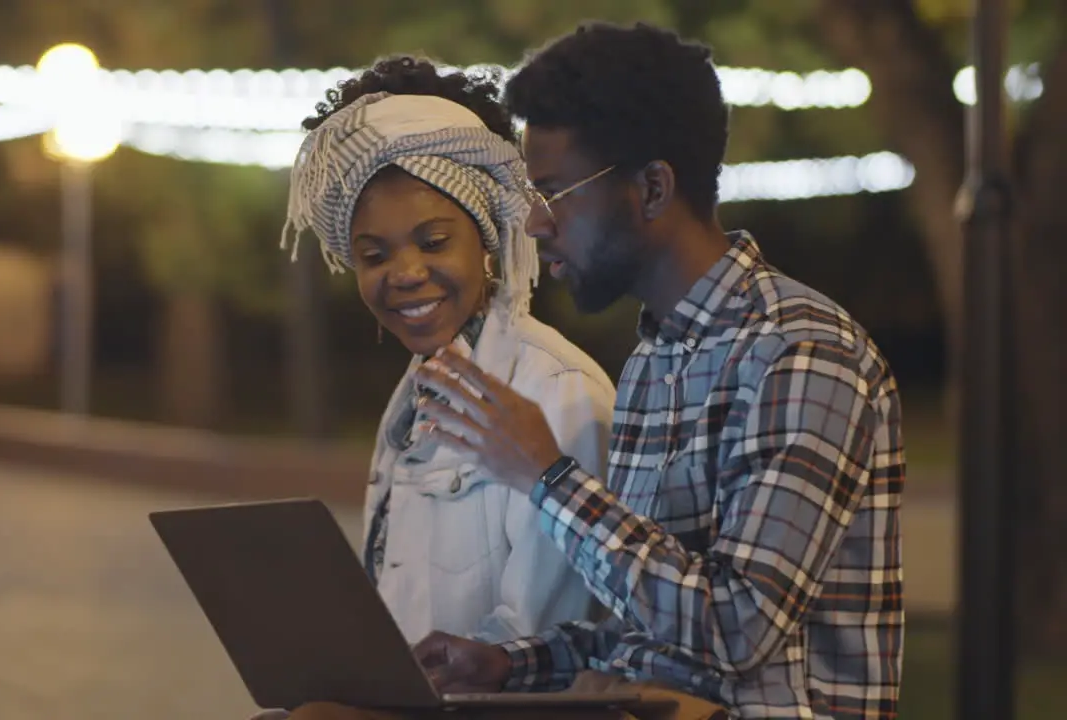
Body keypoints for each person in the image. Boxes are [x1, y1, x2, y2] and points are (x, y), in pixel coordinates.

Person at [288, 20, 906, 720]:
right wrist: (508, 663)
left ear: (650, 189)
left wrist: (547, 476)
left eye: (553, 193)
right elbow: (645, 631)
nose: (534, 224)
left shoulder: (802, 352)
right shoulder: (656, 360)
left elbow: (737, 630)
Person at [267, 55, 615, 701]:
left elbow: (548, 637)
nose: (403, 273)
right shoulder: (413, 397)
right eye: (374, 255)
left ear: (485, 241)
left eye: (432, 242)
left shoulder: (554, 387)